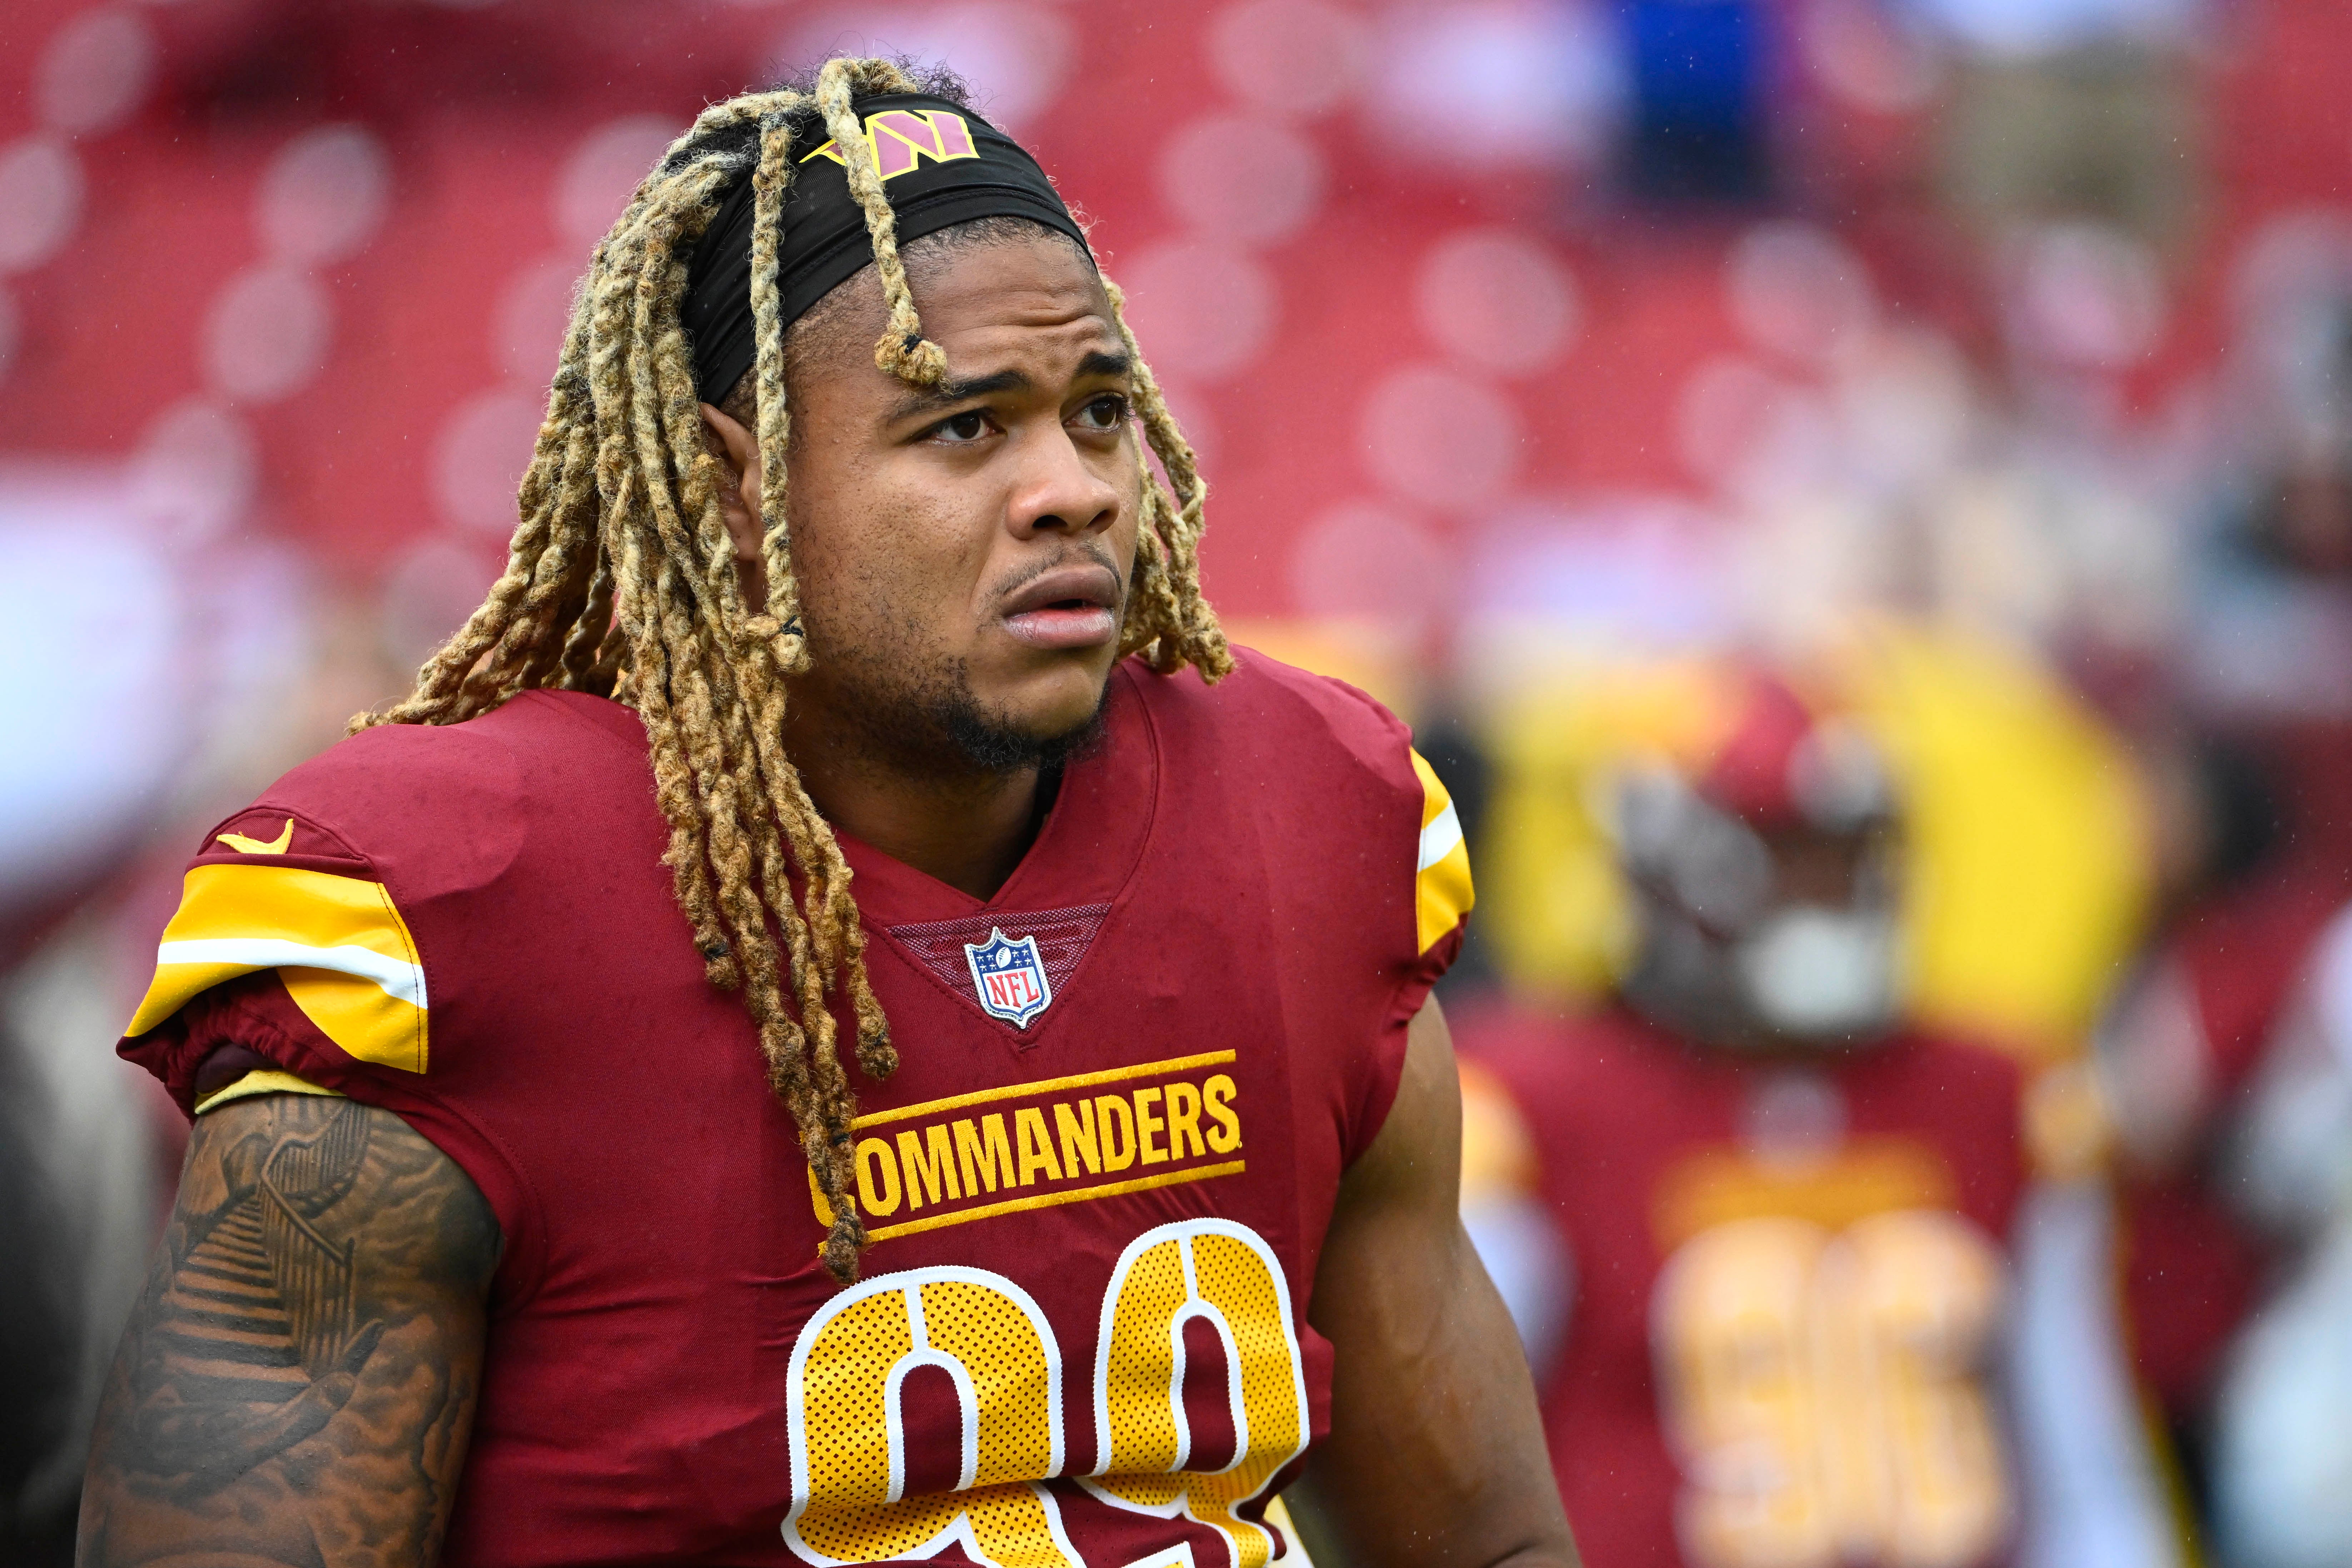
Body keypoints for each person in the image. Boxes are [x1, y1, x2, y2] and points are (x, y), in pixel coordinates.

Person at [75, 57, 1576, 1568]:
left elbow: (1486, 1538)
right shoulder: (445, 906)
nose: (1075, 488)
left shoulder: (1305, 812)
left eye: (1099, 409)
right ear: (737, 488)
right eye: (965, 427)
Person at [1456, 670, 2178, 1568]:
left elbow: (2083, 1452)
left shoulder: (2000, 1092)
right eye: (1782, 853)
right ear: (1668, 870)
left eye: (1839, 857)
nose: (1820, 898)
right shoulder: (1538, 1099)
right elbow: (1458, 1469)